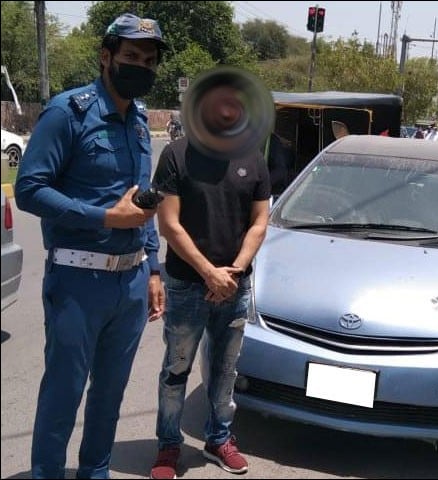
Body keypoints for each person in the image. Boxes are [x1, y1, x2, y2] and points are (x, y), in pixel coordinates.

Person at [14, 13, 168, 479]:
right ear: (106, 57)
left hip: (132, 281)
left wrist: (155, 267)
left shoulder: (140, 123)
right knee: (63, 394)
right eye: (131, 57)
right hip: (79, 280)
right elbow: (29, 189)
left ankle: (94, 472)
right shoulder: (69, 112)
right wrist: (103, 216)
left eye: (149, 60)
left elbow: (141, 201)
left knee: (109, 397)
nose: (140, 66)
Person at [149, 82, 271, 479]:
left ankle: (219, 439)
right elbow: (169, 224)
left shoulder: (253, 159)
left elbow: (259, 222)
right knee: (176, 368)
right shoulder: (175, 155)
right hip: (188, 285)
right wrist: (209, 273)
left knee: (225, 369)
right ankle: (169, 445)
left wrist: (233, 271)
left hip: (235, 286)